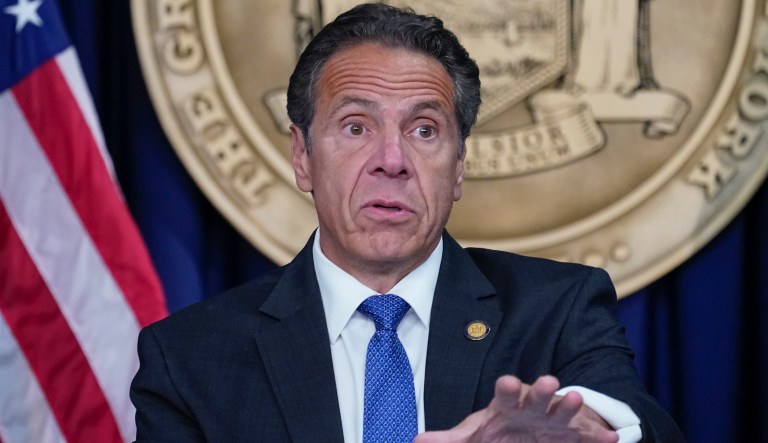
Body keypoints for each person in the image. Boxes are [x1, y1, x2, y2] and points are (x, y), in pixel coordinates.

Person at [130, 4, 684, 442]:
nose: (391, 159)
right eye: (355, 127)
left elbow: (643, 424)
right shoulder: (189, 357)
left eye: (423, 130)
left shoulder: (557, 311)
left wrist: (591, 433)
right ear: (302, 156)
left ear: (459, 166)